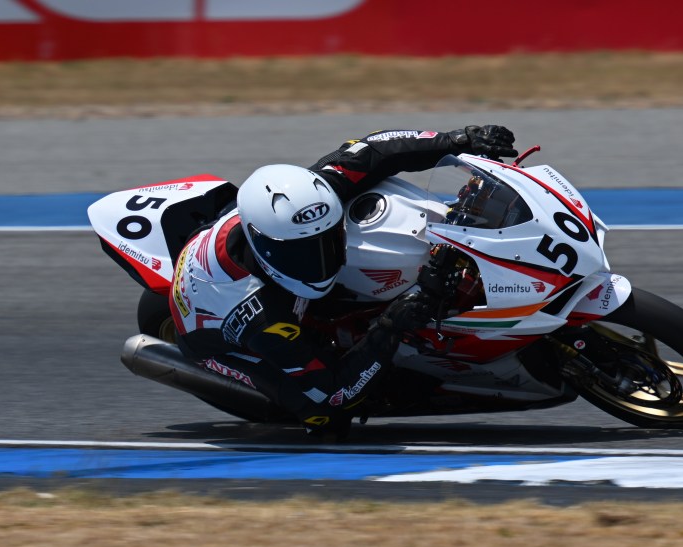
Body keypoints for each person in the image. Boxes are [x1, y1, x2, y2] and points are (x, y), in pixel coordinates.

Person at [168, 125, 518, 434]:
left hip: (256, 268)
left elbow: (377, 149)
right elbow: (334, 395)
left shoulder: (311, 199)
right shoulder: (262, 316)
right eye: (304, 252)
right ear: (265, 247)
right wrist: (391, 325)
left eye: (327, 241)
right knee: (324, 417)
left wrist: (459, 139)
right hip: (217, 331)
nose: (320, 259)